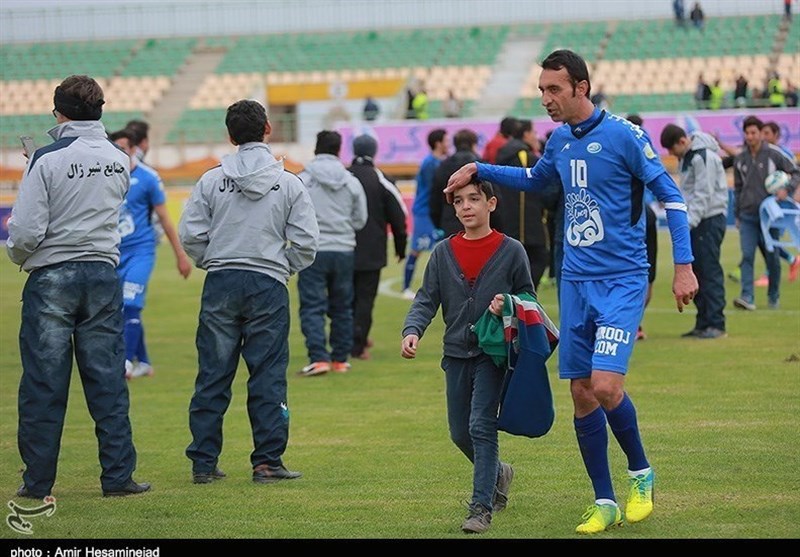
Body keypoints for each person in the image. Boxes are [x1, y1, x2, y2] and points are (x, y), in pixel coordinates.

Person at [444, 49, 699, 534]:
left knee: (605, 386)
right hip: (575, 282)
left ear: (581, 87)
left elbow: (671, 195)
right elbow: (537, 181)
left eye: (554, 89)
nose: (545, 99)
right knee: (581, 394)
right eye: (541, 90)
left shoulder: (625, 135)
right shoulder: (560, 141)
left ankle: (641, 473)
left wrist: (683, 265)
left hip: (622, 280)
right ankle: (603, 501)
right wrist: (481, 169)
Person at [7, 74, 149, 499]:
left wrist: (19, 255)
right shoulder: (118, 158)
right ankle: (118, 477)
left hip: (52, 276)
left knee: (44, 382)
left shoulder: (46, 158)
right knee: (107, 378)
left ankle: (38, 484)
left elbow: (27, 230)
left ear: (59, 112)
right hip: (103, 273)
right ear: (101, 110)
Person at [179, 99, 319, 485]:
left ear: (230, 135)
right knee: (268, 374)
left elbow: (190, 234)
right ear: (268, 129)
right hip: (267, 284)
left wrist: (213, 260)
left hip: (222, 281)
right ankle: (267, 462)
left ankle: (204, 463)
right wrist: (282, 267)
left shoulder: (211, 179)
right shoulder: (289, 182)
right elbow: (306, 242)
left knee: (212, 374)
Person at [401, 177, 533, 534]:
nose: (466, 207)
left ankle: (480, 508)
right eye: (459, 201)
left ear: (491, 204)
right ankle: (499, 472)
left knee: (480, 426)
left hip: (492, 355)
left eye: (474, 198)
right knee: (460, 433)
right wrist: (412, 330)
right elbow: (427, 298)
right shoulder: (443, 252)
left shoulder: (512, 251)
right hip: (455, 353)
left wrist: (509, 304)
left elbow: (529, 299)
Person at [108, 129, 192, 379]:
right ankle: (143, 361)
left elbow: (165, 218)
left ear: (134, 149)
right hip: (113, 253)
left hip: (141, 252)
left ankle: (124, 363)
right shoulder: (107, 176)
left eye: (123, 148)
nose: (120, 153)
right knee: (119, 307)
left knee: (131, 304)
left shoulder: (148, 178)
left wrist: (180, 255)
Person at [297, 130, 368, 376]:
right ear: (339, 150)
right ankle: (340, 358)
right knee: (342, 306)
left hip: (313, 249)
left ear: (316, 149)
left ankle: (318, 357)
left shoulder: (303, 180)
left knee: (312, 306)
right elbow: (360, 219)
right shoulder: (350, 181)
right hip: (344, 248)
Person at [660, 124, 729, 339]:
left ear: (682, 141)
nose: (672, 155)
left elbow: (703, 195)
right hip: (697, 220)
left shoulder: (703, 157)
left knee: (709, 272)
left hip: (708, 220)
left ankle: (716, 324)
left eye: (673, 150)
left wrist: (687, 223)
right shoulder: (689, 158)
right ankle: (703, 323)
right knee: (696, 273)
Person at [348, 134, 408, 360]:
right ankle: (358, 344)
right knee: (365, 298)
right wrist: (400, 247)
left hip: (342, 247)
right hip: (371, 250)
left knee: (345, 298)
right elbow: (398, 216)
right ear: (374, 151)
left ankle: (349, 337)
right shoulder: (381, 179)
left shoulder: (343, 177)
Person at [732, 115, 800, 311]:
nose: (750, 136)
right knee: (746, 255)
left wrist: (787, 189)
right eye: (747, 133)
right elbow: (738, 189)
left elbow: (795, 171)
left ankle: (773, 296)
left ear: (761, 134)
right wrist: (737, 214)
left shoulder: (774, 154)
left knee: (772, 257)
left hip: (770, 218)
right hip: (747, 217)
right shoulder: (740, 158)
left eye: (753, 133)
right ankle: (747, 297)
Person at [494, 118, 549, 289]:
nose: (536, 137)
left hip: (506, 219)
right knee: (539, 257)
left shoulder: (503, 154)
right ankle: (521, 296)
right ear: (525, 134)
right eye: (534, 133)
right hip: (526, 222)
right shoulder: (525, 157)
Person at [403, 128, 448, 299]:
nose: (448, 144)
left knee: (441, 249)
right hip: (424, 212)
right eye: (446, 140)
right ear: (438, 143)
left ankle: (441, 288)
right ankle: (406, 287)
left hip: (432, 212)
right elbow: (434, 189)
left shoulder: (436, 162)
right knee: (417, 249)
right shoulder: (431, 163)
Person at [625, 114, 658, 341]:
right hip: (646, 212)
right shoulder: (645, 142)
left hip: (627, 215)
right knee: (646, 272)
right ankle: (636, 324)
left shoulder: (618, 142)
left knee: (630, 270)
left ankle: (632, 325)